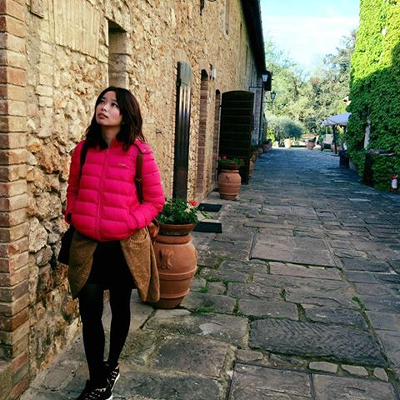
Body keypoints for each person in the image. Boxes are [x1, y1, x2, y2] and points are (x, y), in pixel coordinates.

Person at [65, 87, 165, 400]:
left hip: (124, 247)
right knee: (90, 312)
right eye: (101, 101)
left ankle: (112, 365)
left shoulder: (139, 153)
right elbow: (73, 190)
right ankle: (97, 381)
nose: (104, 107)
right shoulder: (82, 150)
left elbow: (155, 201)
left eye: (113, 104)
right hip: (88, 245)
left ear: (126, 114)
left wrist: (128, 222)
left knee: (121, 307)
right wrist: (73, 214)